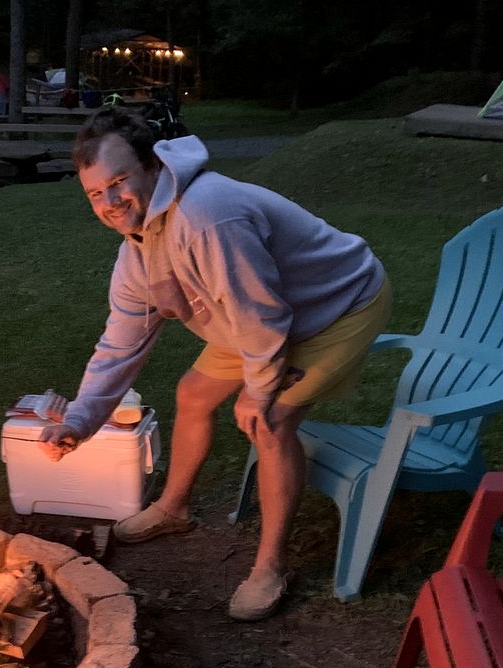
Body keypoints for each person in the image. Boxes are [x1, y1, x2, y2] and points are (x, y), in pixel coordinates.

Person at [38, 107, 390, 622]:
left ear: (153, 166)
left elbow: (263, 315)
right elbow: (120, 343)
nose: (110, 202)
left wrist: (261, 386)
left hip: (336, 305)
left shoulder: (206, 215)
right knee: (193, 394)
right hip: (249, 315)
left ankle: (270, 566)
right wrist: (80, 420)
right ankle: (173, 509)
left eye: (118, 182)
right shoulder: (137, 251)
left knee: (267, 420)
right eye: (95, 193)